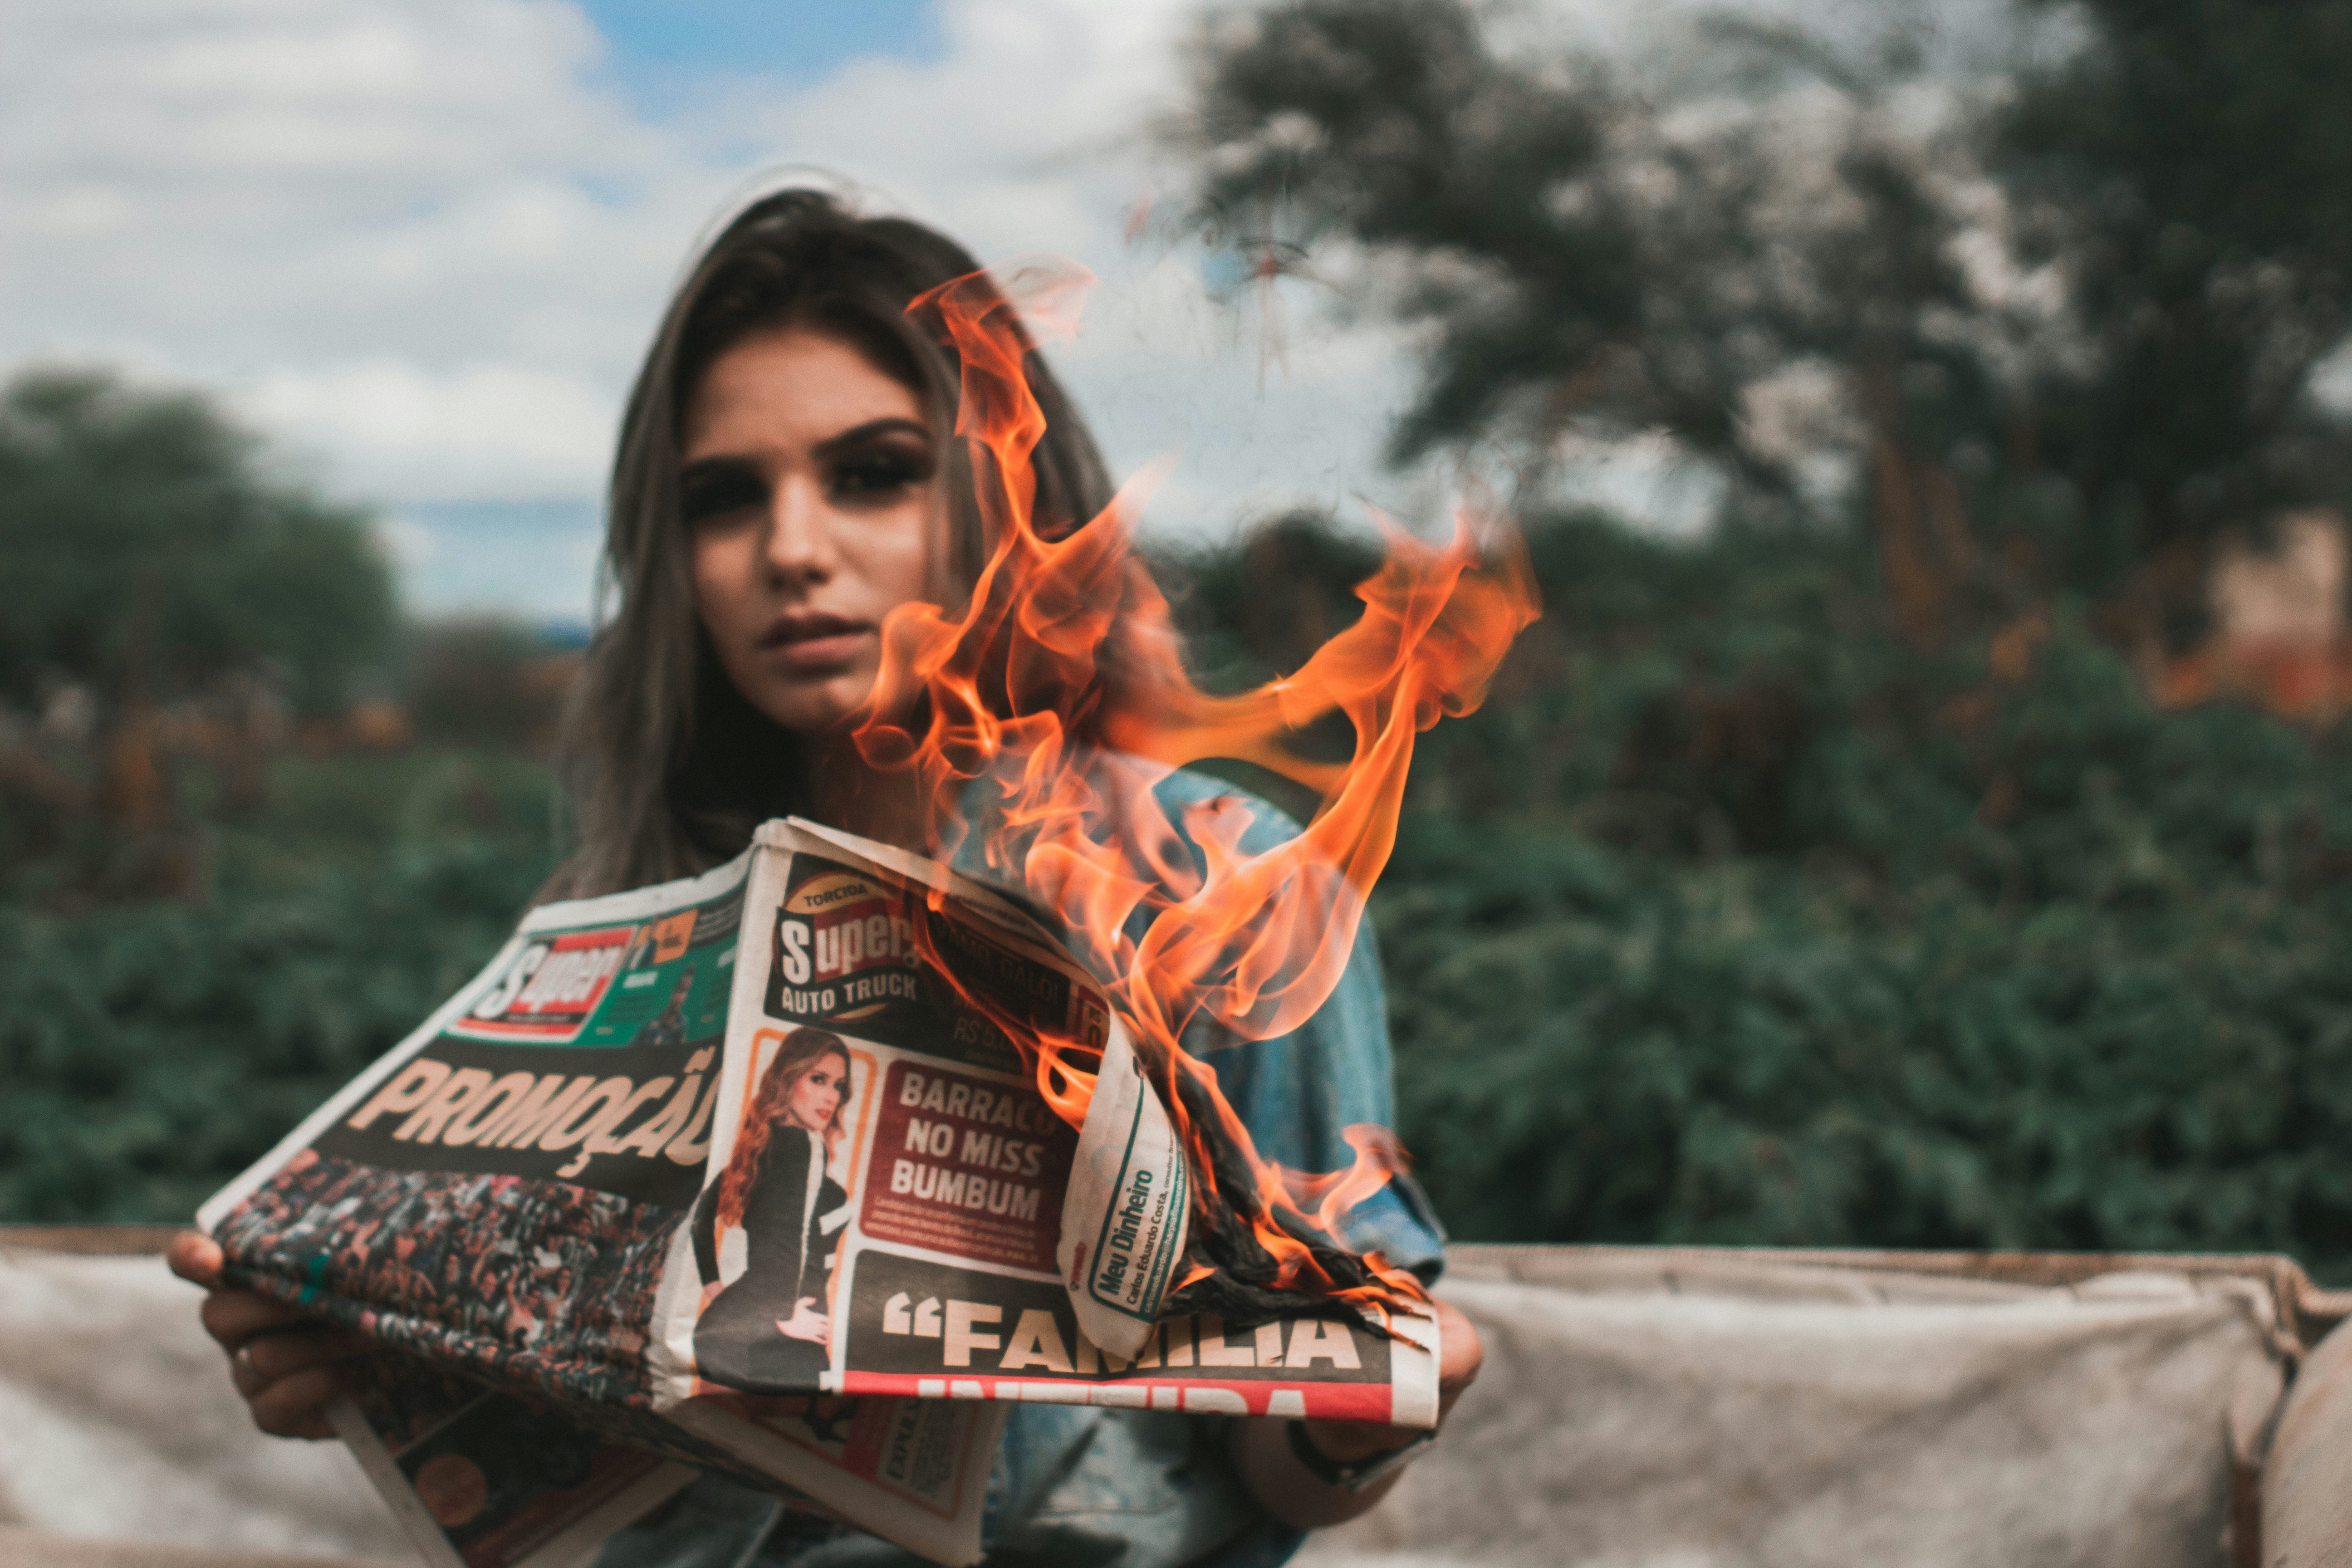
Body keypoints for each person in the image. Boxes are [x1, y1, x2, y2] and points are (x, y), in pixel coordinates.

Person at [167, 186, 1483, 1568]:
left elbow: (1286, 1471)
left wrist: (1364, 1418)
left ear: (1006, 499)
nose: (791, 550)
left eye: (871, 473)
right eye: (725, 497)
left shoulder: (1217, 886)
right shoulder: (627, 918)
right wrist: (363, 1369)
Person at [690, 1029, 853, 1392]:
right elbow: (790, 1245)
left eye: (839, 1086)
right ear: (787, 1079)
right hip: (780, 1339)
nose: (831, 1096)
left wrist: (717, 1289)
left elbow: (700, 1223)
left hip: (734, 1331)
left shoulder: (757, 1148)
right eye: (818, 1079)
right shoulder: (805, 1147)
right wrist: (781, 1320)